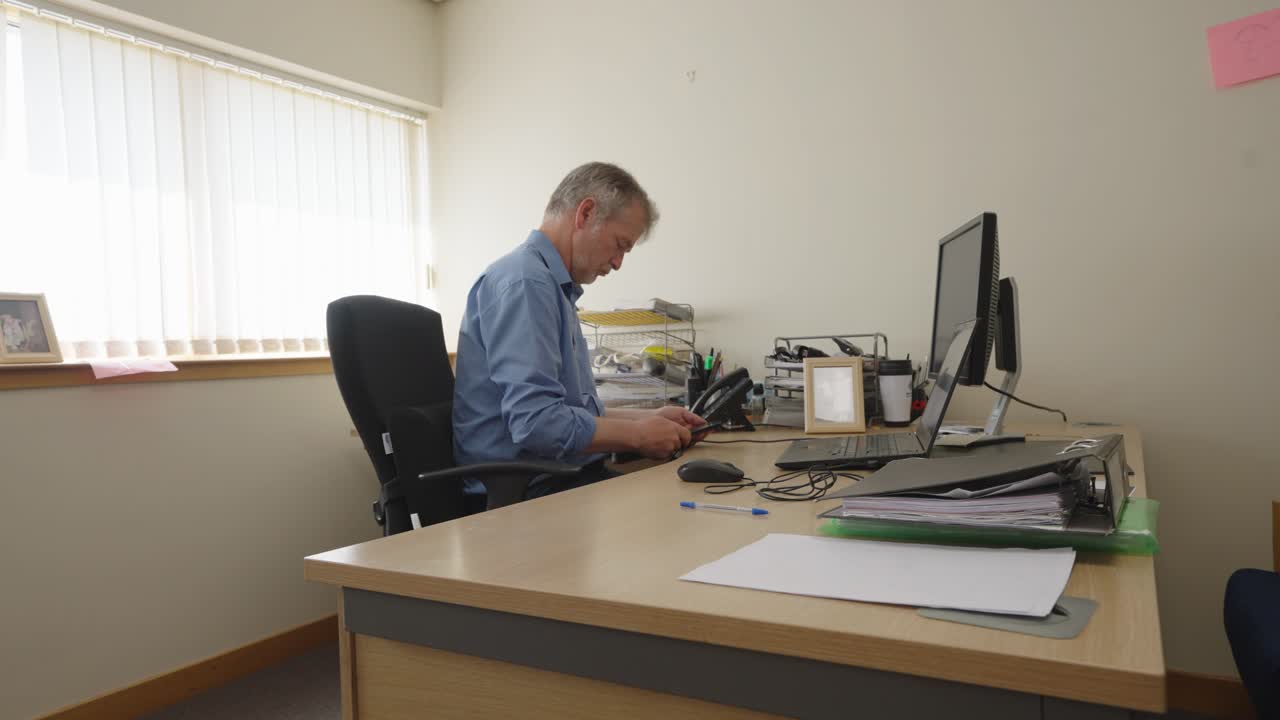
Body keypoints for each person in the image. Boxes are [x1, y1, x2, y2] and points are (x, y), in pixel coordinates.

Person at [452, 162, 704, 498]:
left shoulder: (553, 287)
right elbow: (537, 424)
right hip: (527, 492)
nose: (618, 263)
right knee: (673, 512)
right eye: (620, 245)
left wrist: (648, 418)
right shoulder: (526, 283)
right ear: (585, 214)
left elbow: (571, 413)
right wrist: (638, 436)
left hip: (555, 476)